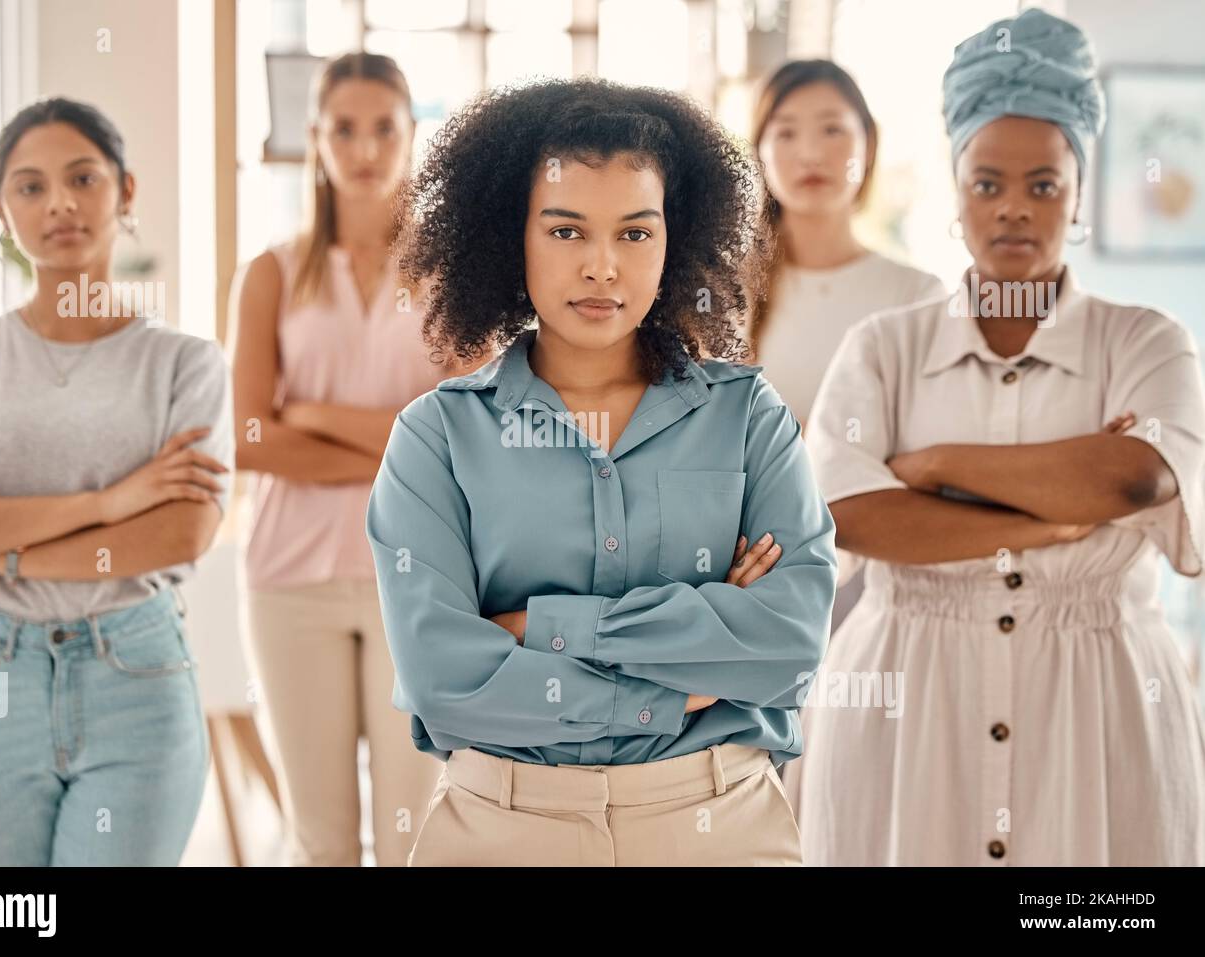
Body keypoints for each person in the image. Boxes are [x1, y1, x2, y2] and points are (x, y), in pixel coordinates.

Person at [365, 77, 837, 866]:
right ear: (509, 235)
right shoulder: (435, 439)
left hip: (718, 825)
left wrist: (542, 629)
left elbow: (786, 642)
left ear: (674, 239)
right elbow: (444, 679)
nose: (602, 267)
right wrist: (689, 673)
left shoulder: (748, 418)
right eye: (565, 231)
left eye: (635, 233)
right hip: (504, 832)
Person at [785, 7, 1205, 865]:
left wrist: (933, 467)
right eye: (987, 183)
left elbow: (1134, 482)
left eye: (1043, 184)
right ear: (956, 186)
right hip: (906, 708)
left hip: (1096, 706)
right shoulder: (886, 346)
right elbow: (850, 515)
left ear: (1079, 190)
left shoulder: (1146, 340)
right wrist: (1049, 515)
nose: (1014, 209)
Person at [0, 97, 233, 866]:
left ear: (126, 191)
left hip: (136, 674)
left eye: (82, 177)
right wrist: (111, 503)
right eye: (29, 186)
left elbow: (181, 531)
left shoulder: (185, 363)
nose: (59, 202)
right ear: (1, 210)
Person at [229, 53, 479, 867]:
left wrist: (315, 415)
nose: (365, 148)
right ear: (316, 139)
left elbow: (466, 438)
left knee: (416, 828)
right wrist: (396, 445)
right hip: (289, 579)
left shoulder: (451, 281)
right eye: (344, 128)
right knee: (321, 840)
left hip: (420, 577)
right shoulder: (268, 274)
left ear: (412, 137)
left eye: (384, 128)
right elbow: (248, 438)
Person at [750, 59, 946, 635]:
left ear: (870, 144)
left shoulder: (916, 295)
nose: (811, 152)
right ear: (758, 152)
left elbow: (926, 448)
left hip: (880, 573)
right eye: (786, 132)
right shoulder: (720, 291)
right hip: (747, 568)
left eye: (832, 128)